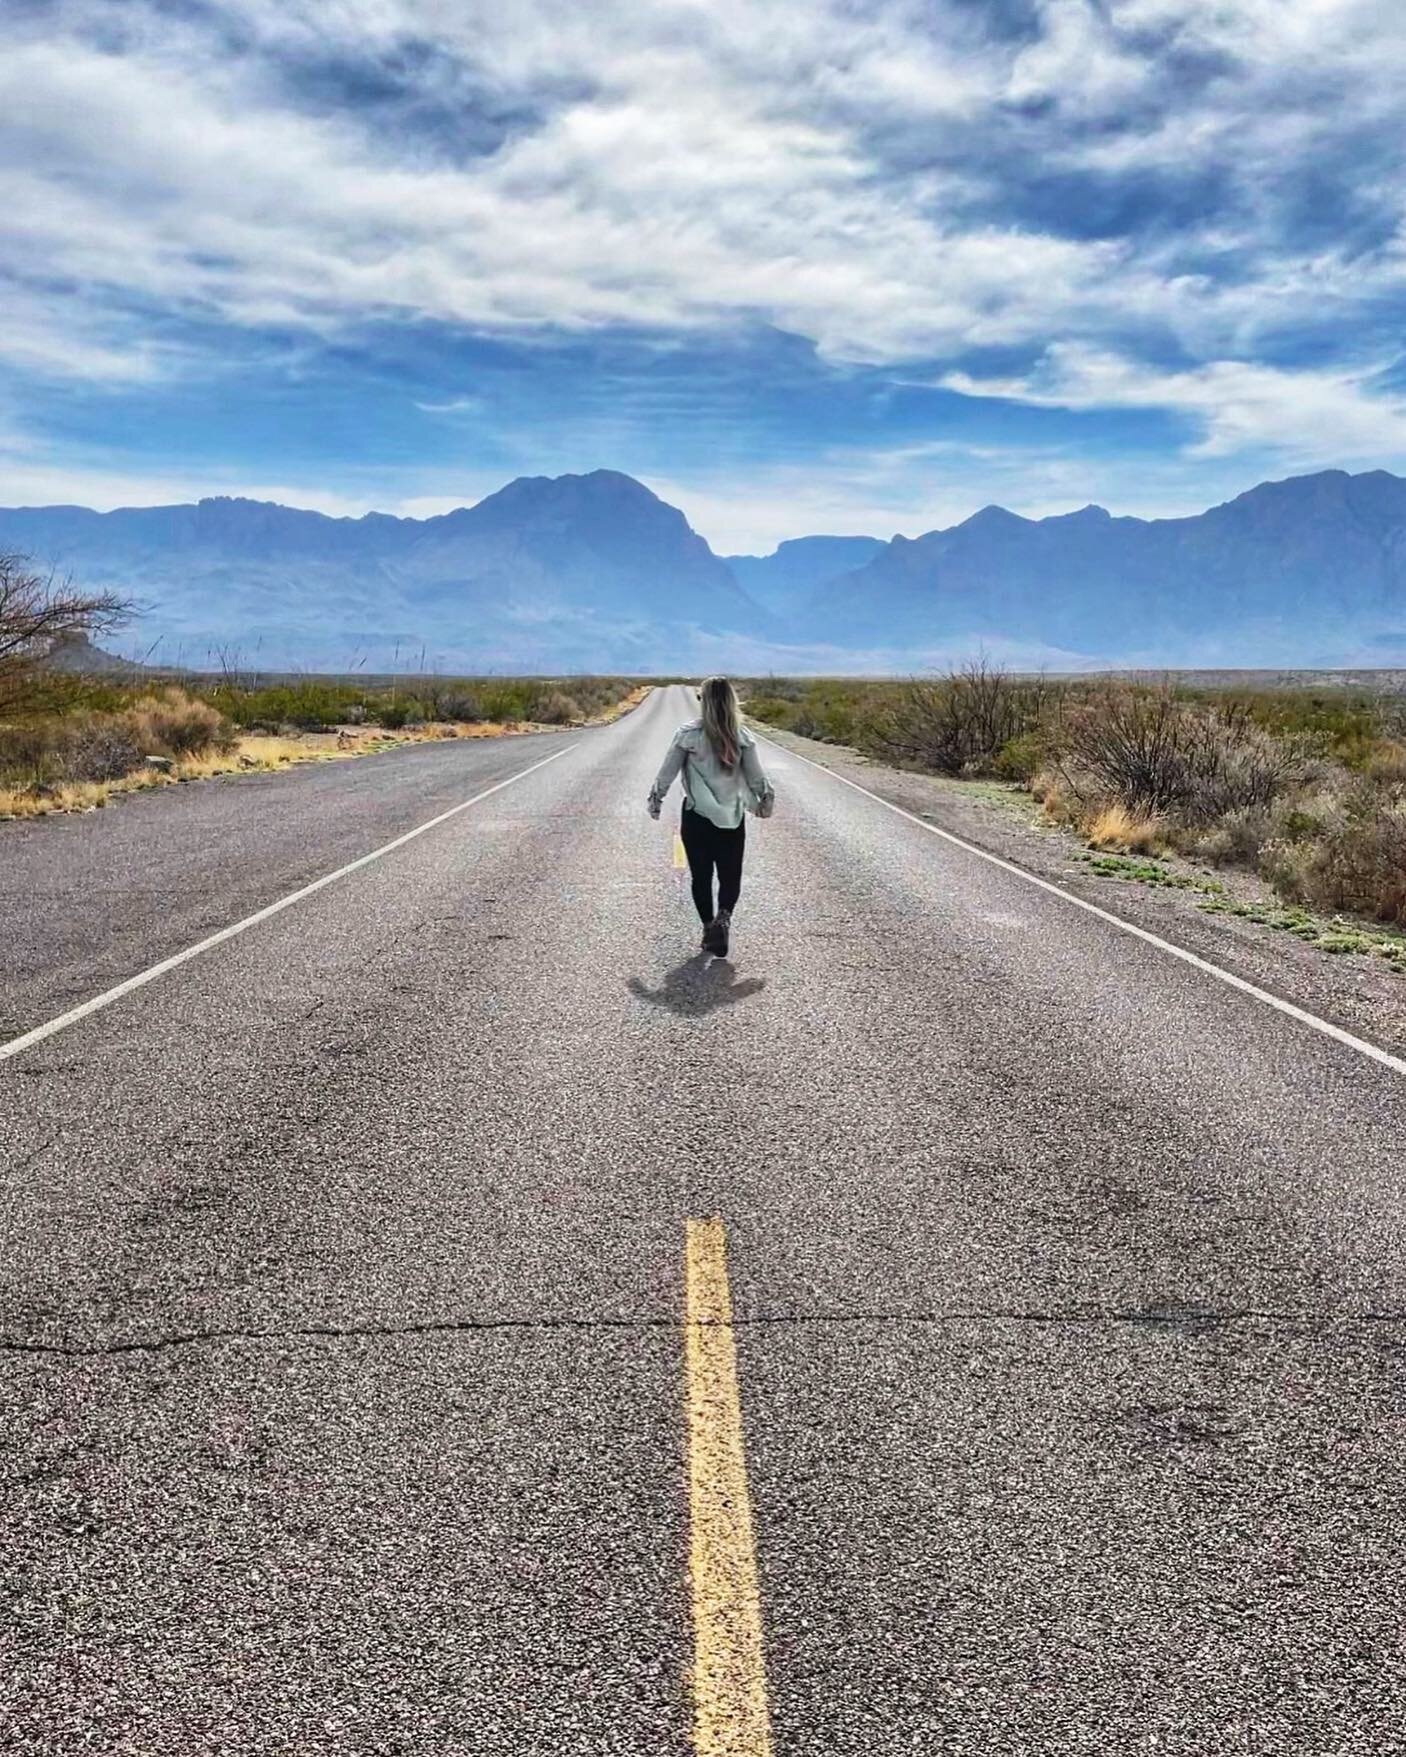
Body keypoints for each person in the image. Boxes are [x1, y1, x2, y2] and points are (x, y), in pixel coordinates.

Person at [647, 677, 774, 957]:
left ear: (704, 702)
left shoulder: (688, 735)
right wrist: (764, 802)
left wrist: (656, 798)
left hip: (696, 818)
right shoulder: (743, 737)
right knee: (730, 876)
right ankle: (723, 919)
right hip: (732, 817)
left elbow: (667, 770)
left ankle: (708, 927)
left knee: (701, 876)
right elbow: (756, 778)